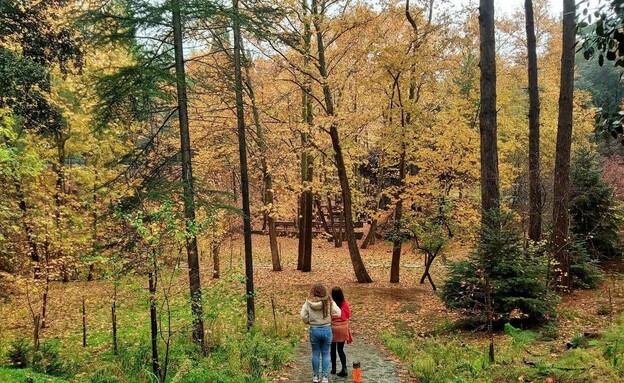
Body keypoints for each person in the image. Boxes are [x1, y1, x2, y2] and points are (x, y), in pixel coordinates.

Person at [301, 283, 341, 383]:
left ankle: (315, 376)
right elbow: (338, 313)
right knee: (326, 354)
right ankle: (325, 377)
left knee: (315, 353)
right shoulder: (329, 302)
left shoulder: (308, 302)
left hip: (314, 330)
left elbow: (303, 316)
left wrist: (308, 321)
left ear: (312, 292)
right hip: (327, 329)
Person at [330, 286, 352, 377]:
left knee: (332, 349)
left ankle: (333, 369)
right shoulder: (345, 303)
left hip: (333, 328)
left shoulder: (331, 305)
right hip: (343, 328)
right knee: (340, 349)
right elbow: (348, 315)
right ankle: (344, 368)